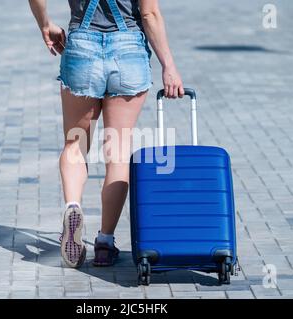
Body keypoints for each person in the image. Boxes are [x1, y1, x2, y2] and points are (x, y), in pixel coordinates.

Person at [29, 0, 184, 268]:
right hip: (128, 51)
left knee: (75, 144)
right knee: (118, 152)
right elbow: (149, 13)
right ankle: (104, 242)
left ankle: (73, 206)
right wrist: (168, 64)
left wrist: (45, 23)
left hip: (81, 47)